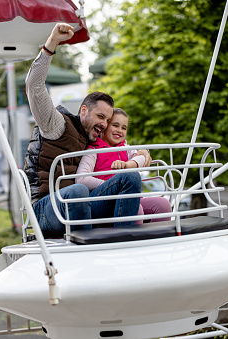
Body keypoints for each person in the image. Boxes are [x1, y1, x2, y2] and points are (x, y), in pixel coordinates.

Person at [24, 23, 151, 238]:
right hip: (47, 208)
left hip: (81, 206)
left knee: (129, 177)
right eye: (100, 116)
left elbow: (128, 150)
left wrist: (142, 154)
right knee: (78, 191)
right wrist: (51, 44)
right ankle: (88, 245)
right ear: (84, 110)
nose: (104, 124)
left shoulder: (96, 140)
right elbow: (34, 86)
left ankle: (124, 240)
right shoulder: (57, 124)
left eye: (108, 120)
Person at [76, 108, 172, 224]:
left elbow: (142, 157)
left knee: (163, 204)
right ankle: (132, 239)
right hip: (103, 200)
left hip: (128, 197)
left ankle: (157, 239)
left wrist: (128, 165)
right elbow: (81, 179)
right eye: (115, 125)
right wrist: (113, 186)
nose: (119, 130)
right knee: (137, 210)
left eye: (124, 128)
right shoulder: (94, 150)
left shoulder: (125, 149)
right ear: (105, 127)